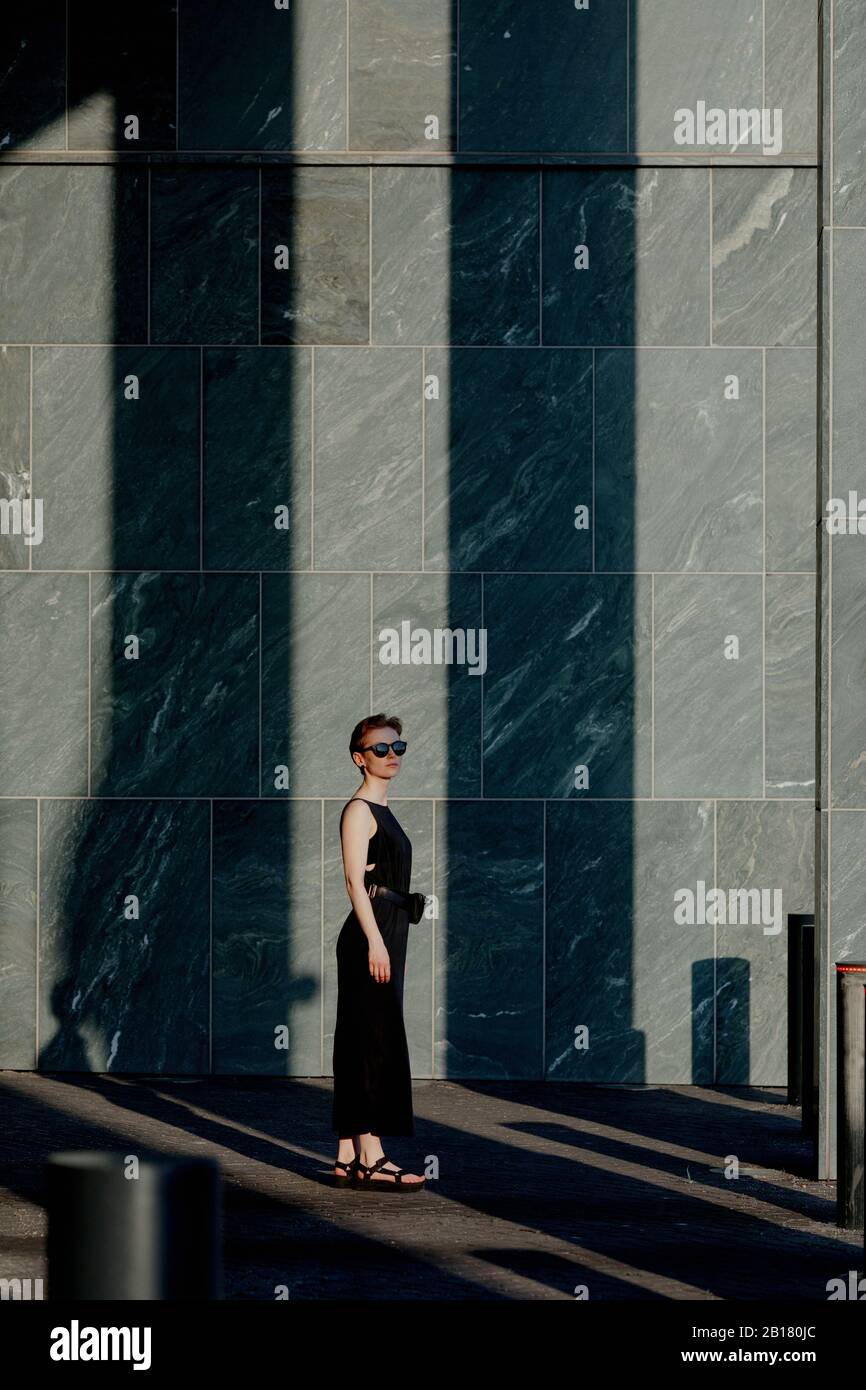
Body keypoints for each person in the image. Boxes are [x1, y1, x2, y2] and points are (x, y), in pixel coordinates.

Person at [331, 713, 426, 1191]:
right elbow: (354, 880)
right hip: (371, 934)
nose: (392, 756)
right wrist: (375, 941)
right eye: (380, 749)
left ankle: (348, 1153)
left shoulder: (382, 811)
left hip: (388, 929)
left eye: (398, 747)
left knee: (363, 1036)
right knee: (372, 1040)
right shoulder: (359, 811)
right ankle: (372, 1154)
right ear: (359, 758)